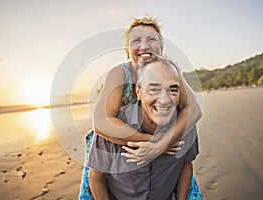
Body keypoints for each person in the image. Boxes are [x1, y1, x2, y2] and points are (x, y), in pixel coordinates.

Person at [79, 15, 202, 199]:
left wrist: (163, 143)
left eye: (152, 39)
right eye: (136, 40)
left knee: (179, 169)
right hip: (113, 136)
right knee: (93, 182)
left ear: (161, 49)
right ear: (127, 52)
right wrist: (151, 143)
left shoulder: (169, 72)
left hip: (161, 128)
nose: (144, 46)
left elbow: (193, 109)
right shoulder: (121, 73)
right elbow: (101, 121)